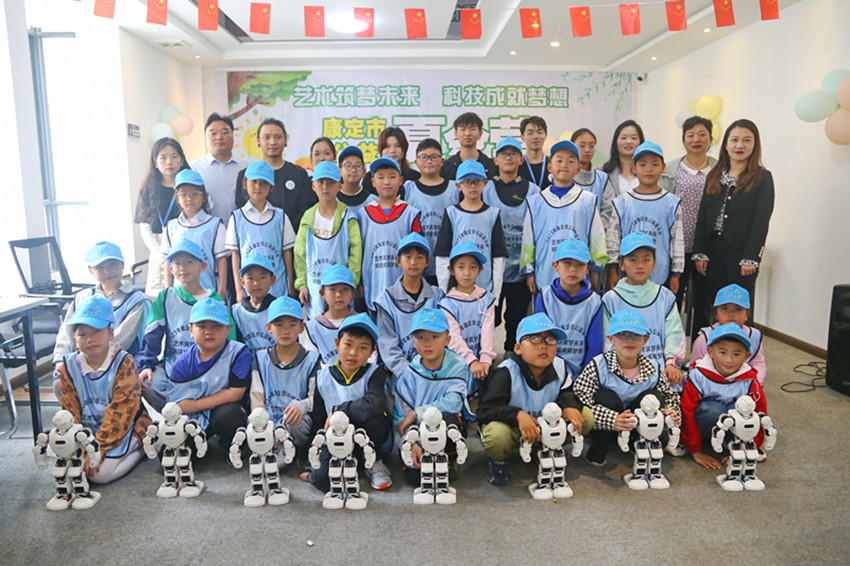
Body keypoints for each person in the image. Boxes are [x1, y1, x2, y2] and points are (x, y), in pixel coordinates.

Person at [478, 313, 593, 485]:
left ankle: (544, 448)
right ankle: (498, 461)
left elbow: (567, 392)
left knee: (585, 417)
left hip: (546, 425)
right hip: (516, 429)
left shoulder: (560, 366)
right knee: (496, 436)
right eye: (535, 339)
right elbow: (485, 411)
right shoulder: (506, 372)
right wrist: (517, 415)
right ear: (518, 348)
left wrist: (570, 406)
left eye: (551, 340)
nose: (544, 346)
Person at [55, 296, 152, 483]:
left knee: (99, 475)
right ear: (74, 339)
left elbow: (121, 413)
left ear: (111, 333)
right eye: (82, 334)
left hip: (123, 427)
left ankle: (140, 447)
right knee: (69, 467)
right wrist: (78, 449)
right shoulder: (69, 365)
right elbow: (70, 410)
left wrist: (97, 449)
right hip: (87, 431)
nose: (90, 339)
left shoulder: (124, 362)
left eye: (97, 331)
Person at [692, 119, 774, 332]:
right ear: (726, 144)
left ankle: (741, 348)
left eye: (747, 140)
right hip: (712, 252)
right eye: (734, 140)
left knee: (738, 307)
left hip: (741, 254)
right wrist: (700, 251)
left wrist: (752, 257)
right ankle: (704, 348)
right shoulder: (714, 175)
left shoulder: (762, 178)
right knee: (708, 305)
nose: (740, 145)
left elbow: (761, 221)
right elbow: (703, 216)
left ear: (755, 144)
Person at [136, 239, 235, 410]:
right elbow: (152, 336)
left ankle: (193, 412)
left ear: (203, 266)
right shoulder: (166, 297)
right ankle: (178, 415)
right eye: (177, 263)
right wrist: (146, 365)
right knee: (149, 383)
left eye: (190, 262)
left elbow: (230, 342)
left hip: (209, 370)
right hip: (173, 368)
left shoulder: (215, 301)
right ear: (171, 269)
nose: (183, 267)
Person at [575, 309, 681, 467]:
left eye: (636, 335)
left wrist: (672, 412)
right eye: (622, 334)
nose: (629, 340)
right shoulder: (598, 364)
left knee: (655, 397)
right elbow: (581, 399)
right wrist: (613, 420)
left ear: (645, 339)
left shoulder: (653, 367)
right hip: (606, 424)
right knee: (605, 396)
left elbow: (670, 396)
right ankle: (600, 446)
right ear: (611, 338)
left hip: (637, 423)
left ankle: (636, 442)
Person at [304, 314, 394, 491]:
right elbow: (319, 419)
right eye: (348, 344)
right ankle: (338, 465)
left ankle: (374, 462)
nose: (353, 353)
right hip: (335, 440)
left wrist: (341, 410)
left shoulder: (374, 373)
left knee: (374, 417)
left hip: (365, 438)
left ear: (372, 351)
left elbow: (375, 402)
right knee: (323, 481)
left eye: (363, 347)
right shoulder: (323, 377)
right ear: (337, 343)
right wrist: (313, 457)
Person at [53, 242, 150, 393]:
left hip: (119, 362)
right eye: (99, 267)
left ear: (123, 265)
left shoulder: (137, 300)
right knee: (60, 384)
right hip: (82, 359)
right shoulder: (81, 298)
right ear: (90, 270)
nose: (107, 271)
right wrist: (61, 360)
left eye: (112, 264)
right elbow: (66, 333)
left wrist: (87, 362)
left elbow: (122, 338)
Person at [393, 308, 469, 485]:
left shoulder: (458, 366)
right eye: (420, 337)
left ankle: (449, 457)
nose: (427, 343)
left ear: (447, 339)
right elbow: (400, 418)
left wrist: (417, 413)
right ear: (413, 340)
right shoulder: (409, 374)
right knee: (414, 478)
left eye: (435, 337)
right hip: (416, 433)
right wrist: (410, 443)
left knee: (449, 421)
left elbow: (453, 402)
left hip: (444, 426)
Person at [521, 140, 607, 294]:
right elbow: (528, 239)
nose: (564, 165)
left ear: (578, 169)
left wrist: (595, 269)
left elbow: (597, 236)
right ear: (549, 167)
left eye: (571, 161)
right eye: (559, 160)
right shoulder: (535, 202)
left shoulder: (587, 201)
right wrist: (529, 272)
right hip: (545, 275)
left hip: (578, 277)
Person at [602, 232, 685, 387]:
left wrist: (671, 363)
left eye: (646, 260)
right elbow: (608, 341)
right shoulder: (611, 299)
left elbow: (674, 332)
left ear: (654, 264)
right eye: (633, 260)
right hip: (622, 373)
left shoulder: (664, 297)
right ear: (621, 264)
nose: (640, 265)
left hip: (660, 372)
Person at [165, 297, 251, 448]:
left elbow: (235, 393)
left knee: (229, 416)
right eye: (201, 326)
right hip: (193, 418)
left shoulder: (239, 353)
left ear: (228, 329)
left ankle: (232, 447)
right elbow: (178, 406)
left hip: (223, 410)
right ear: (191, 330)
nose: (209, 331)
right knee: (173, 450)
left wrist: (195, 404)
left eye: (216, 325)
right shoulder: (181, 364)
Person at [681, 323, 767, 469]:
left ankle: (732, 444)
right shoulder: (698, 376)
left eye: (737, 354)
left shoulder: (751, 380)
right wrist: (695, 450)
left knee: (743, 409)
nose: (729, 360)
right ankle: (706, 442)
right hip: (705, 426)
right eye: (722, 352)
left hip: (732, 429)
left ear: (747, 356)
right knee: (714, 410)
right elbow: (686, 412)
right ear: (710, 352)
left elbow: (759, 414)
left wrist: (745, 447)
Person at [483, 136, 540, 350]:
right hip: (492, 270)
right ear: (495, 160)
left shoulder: (534, 192)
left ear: (521, 159)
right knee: (489, 319)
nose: (508, 158)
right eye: (503, 154)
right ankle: (486, 357)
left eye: (513, 154)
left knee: (517, 318)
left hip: (521, 271)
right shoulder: (485, 189)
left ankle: (512, 355)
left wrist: (531, 269)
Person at [606, 141, 684, 292]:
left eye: (655, 164)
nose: (649, 169)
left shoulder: (671, 203)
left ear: (663, 167)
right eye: (643, 164)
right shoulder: (622, 202)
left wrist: (676, 273)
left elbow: (677, 240)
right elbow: (613, 237)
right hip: (627, 274)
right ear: (634, 168)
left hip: (661, 274)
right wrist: (613, 268)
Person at [658, 116, 716, 314]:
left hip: (707, 247)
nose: (696, 139)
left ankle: (701, 335)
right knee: (672, 299)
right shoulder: (670, 169)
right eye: (690, 135)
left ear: (710, 139)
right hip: (676, 246)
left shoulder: (719, 170)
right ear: (683, 140)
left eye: (702, 135)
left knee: (704, 302)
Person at [251, 296, 321, 452]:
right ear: (269, 327)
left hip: (296, 421)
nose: (285, 331)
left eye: (292, 324)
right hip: (269, 423)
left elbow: (315, 398)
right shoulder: (261, 359)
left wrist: (301, 406)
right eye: (279, 324)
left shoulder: (311, 360)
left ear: (301, 327)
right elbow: (257, 400)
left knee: (295, 421)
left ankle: (299, 452)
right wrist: (265, 430)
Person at [294, 160, 362, 318]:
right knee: (318, 324)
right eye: (321, 182)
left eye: (331, 182)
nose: (325, 187)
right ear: (313, 186)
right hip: (314, 288)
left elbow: (356, 253)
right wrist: (302, 284)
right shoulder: (308, 217)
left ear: (339, 186)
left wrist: (352, 282)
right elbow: (300, 255)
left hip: (342, 289)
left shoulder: (347, 216)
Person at [375, 233, 444, 385]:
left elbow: (442, 337)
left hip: (433, 371)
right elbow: (388, 347)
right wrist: (411, 375)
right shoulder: (386, 300)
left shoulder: (437, 296)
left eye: (419, 257)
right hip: (399, 374)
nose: (413, 262)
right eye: (408, 257)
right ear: (398, 261)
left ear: (427, 262)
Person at [356, 157, 422, 314]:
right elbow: (358, 253)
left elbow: (418, 253)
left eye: (392, 177)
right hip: (373, 288)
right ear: (373, 182)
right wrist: (359, 283)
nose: (386, 182)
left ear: (400, 181)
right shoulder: (363, 215)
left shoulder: (410, 214)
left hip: (405, 291)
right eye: (381, 177)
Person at [434, 160, 507, 297]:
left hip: (485, 290)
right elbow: (442, 255)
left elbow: (498, 257)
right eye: (467, 182)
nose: (472, 186)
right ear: (458, 185)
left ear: (485, 183)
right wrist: (445, 291)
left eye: (477, 181)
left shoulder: (493, 214)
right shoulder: (451, 213)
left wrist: (495, 294)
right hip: (456, 291)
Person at [227, 160, 296, 303]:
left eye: (264, 183)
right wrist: (238, 289)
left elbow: (287, 253)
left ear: (271, 187)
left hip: (277, 288)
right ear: (244, 184)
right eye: (254, 182)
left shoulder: (280, 216)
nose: (258, 187)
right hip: (248, 289)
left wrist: (290, 286)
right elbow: (236, 255)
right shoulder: (237, 217)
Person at [534, 238, 604, 379]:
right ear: (555, 265)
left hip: (582, 375)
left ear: (587, 269)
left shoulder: (595, 302)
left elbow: (595, 346)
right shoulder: (544, 297)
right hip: (550, 373)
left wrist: (585, 379)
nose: (573, 269)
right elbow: (541, 340)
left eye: (580, 264)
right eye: (567, 263)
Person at [234, 118, 317, 228]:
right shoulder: (246, 175)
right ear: (258, 140)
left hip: (293, 235)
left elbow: (305, 210)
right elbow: (242, 209)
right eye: (267, 137)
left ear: (285, 140)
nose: (272, 142)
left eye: (278, 137)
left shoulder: (299, 174)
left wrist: (286, 231)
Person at [135, 137, 189, 298]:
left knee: (186, 297)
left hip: (186, 248)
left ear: (181, 160)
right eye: (163, 157)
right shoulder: (147, 190)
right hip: (158, 249)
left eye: (174, 156)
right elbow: (145, 228)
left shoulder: (190, 187)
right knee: (158, 299)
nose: (169, 162)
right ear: (155, 162)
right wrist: (162, 254)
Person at [439, 242, 496, 396]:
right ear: (451, 270)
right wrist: (471, 360)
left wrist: (485, 360)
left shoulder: (486, 299)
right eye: (461, 267)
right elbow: (453, 338)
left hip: (482, 364)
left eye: (473, 267)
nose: (467, 273)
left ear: (480, 270)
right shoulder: (447, 303)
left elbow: (488, 332)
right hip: (457, 363)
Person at [160, 169, 228, 298]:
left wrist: (221, 292)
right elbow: (167, 262)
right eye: (183, 194)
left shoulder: (215, 224)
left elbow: (222, 261)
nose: (189, 198)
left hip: (207, 294)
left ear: (203, 197)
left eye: (195, 193)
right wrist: (168, 291)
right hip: (179, 297)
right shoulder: (171, 227)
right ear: (177, 198)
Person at [402, 138, 459, 286]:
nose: (429, 161)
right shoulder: (408, 189)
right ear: (416, 162)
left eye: (433, 157)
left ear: (442, 161)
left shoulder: (455, 189)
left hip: (449, 264)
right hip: (416, 264)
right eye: (424, 157)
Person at [689, 284, 766, 383]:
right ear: (716, 313)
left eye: (738, 309)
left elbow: (758, 364)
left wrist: (754, 383)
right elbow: (695, 367)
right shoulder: (704, 338)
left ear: (747, 314)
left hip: (743, 384)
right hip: (710, 386)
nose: (731, 314)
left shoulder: (754, 336)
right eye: (724, 308)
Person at [190, 113, 248, 221]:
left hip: (243, 227)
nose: (219, 137)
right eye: (213, 133)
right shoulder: (193, 169)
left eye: (225, 132)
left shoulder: (245, 167)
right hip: (208, 228)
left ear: (233, 136)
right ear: (206, 137)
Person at [301, 264, 360, 366]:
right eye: (332, 289)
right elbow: (311, 363)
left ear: (352, 294)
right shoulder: (313, 328)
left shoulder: (361, 323)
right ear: (322, 293)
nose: (339, 294)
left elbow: (370, 359)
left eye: (345, 289)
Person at [231, 253, 277, 354]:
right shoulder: (235, 312)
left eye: (263, 277)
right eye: (250, 278)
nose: (256, 283)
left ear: (272, 280)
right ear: (242, 282)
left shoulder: (279, 308)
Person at [600, 120, 646, 210]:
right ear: (616, 141)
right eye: (624, 138)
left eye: (634, 138)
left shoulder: (649, 171)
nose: (629, 141)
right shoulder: (602, 172)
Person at [362, 127, 420, 194]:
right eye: (387, 146)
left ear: (404, 149)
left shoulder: (415, 177)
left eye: (397, 146)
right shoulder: (369, 177)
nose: (392, 151)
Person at [440, 112, 497, 180]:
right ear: (455, 133)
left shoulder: (491, 166)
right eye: (463, 129)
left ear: (480, 133)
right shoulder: (447, 166)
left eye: (472, 129)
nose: (467, 133)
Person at [518, 116, 551, 190]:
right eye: (530, 133)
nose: (535, 137)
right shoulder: (517, 165)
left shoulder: (553, 164)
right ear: (522, 137)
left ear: (545, 135)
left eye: (539, 132)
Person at [336, 146, 373, 212]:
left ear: (364, 171)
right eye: (348, 166)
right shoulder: (331, 200)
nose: (353, 170)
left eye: (358, 166)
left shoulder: (373, 202)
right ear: (339, 171)